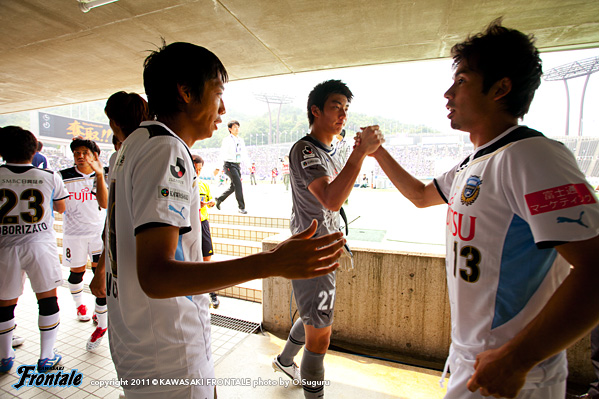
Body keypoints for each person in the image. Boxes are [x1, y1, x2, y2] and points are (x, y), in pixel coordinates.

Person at [364, 19, 599, 399]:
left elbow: (595, 268)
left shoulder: (531, 155)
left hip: (513, 376)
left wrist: (517, 359)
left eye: (462, 80)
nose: (447, 93)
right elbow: (422, 194)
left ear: (501, 88)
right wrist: (378, 152)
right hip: (474, 362)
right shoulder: (476, 162)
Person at [105, 42, 344, 399]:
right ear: (186, 93)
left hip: (138, 342)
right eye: (218, 93)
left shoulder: (135, 143)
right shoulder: (167, 150)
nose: (223, 108)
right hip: (168, 351)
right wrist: (271, 262)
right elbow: (156, 275)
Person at [273, 79, 383, 399]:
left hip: (327, 248)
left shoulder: (333, 148)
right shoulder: (305, 149)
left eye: (346, 109)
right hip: (313, 253)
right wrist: (360, 153)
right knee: (320, 338)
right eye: (336, 106)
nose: (343, 115)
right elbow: (331, 199)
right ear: (315, 110)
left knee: (314, 318)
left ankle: (283, 361)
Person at [0, 126, 69, 373]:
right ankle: (46, 356)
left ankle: (4, 357)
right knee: (48, 299)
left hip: (4, 247)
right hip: (40, 245)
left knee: (5, 304)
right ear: (34, 150)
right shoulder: (49, 176)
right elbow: (60, 207)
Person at [86, 91, 150, 352]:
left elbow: (111, 217)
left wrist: (101, 269)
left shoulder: (122, 158)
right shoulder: (150, 150)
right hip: (138, 276)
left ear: (114, 123)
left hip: (124, 272)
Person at [58, 138, 108, 330]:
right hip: (74, 234)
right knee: (76, 273)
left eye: (84, 152)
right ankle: (80, 305)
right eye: (76, 153)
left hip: (98, 233)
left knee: (99, 273)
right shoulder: (63, 176)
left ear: (95, 155)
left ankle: (99, 312)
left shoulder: (102, 175)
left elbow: (104, 204)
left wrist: (100, 175)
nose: (80, 156)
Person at [192, 154, 220, 309]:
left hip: (203, 223)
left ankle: (211, 293)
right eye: (195, 169)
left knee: (206, 257)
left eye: (199, 169)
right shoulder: (184, 185)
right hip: (189, 224)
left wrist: (209, 203)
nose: (197, 172)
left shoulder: (203, 184)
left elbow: (211, 201)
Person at [215, 120, 248, 214]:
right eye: (234, 127)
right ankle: (241, 207)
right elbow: (222, 153)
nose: (237, 129)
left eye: (238, 127)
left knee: (234, 187)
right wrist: (218, 167)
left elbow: (244, 153)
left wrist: (248, 165)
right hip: (229, 165)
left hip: (237, 165)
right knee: (238, 185)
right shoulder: (227, 140)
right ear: (230, 129)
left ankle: (220, 199)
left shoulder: (240, 140)